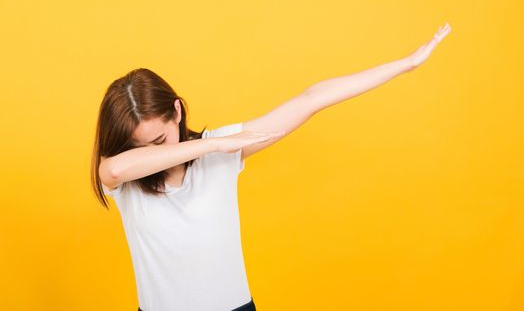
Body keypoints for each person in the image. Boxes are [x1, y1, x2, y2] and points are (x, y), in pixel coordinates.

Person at [91, 23, 451, 311]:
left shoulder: (221, 155)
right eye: (140, 147)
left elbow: (312, 99)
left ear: (178, 112)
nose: (153, 154)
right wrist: (211, 144)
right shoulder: (127, 178)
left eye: (159, 140)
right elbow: (114, 171)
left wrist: (406, 64)